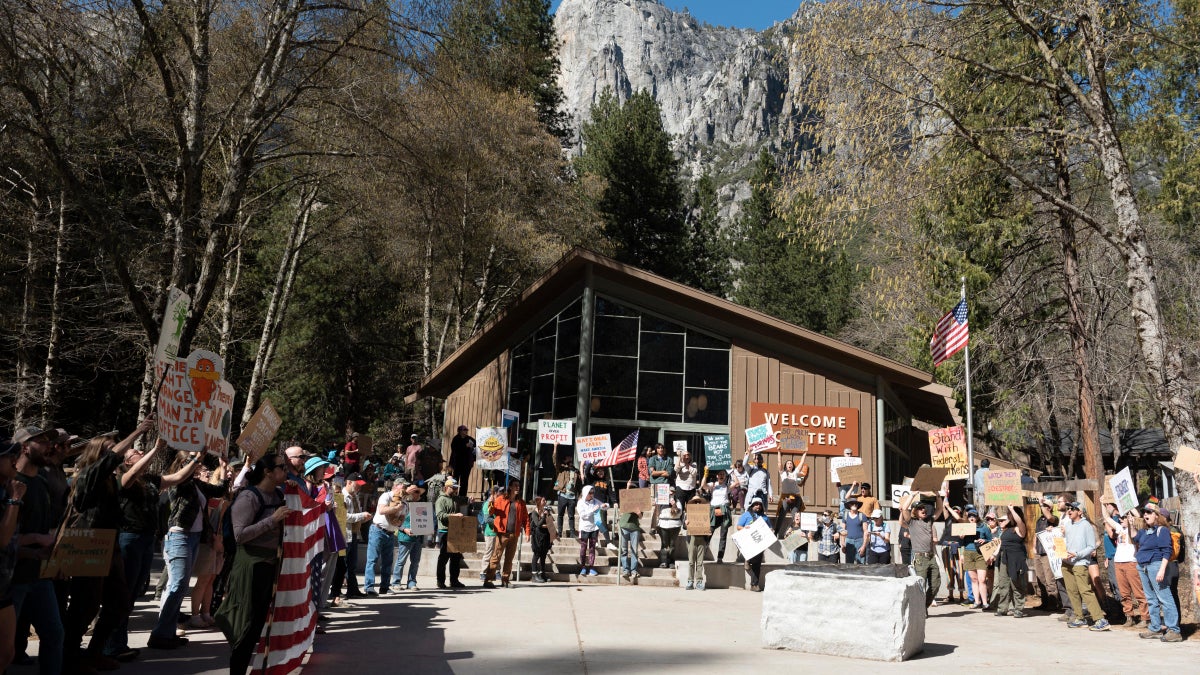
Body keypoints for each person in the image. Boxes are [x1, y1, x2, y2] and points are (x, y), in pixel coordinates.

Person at [62, 420, 154, 670]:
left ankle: (94, 652)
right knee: (85, 605)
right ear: (100, 454)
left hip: (109, 545)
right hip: (88, 544)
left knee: (120, 602)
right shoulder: (90, 475)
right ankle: (69, 656)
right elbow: (111, 460)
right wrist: (138, 432)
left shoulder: (110, 481)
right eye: (112, 449)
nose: (120, 452)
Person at [215, 452, 290, 675]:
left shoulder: (279, 494)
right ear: (268, 472)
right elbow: (240, 536)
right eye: (281, 467)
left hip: (270, 565)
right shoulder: (249, 497)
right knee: (245, 624)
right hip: (250, 566)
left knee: (258, 623)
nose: (285, 471)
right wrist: (273, 520)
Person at [150, 450, 227, 650]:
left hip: (193, 537)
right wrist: (196, 458)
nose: (201, 466)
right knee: (176, 585)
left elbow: (219, 491)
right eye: (195, 463)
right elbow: (181, 478)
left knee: (181, 585)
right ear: (185, 464)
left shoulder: (196, 484)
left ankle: (167, 631)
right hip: (179, 536)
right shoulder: (178, 482)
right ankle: (161, 633)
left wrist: (225, 467)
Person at [10, 426, 65, 675]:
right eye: (42, 442)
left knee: (54, 634)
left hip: (39, 575)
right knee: (6, 644)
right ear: (24, 447)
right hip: (11, 578)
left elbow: (47, 531)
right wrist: (34, 540)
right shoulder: (10, 484)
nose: (49, 447)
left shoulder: (41, 482)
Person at [1133, 504, 1181, 642]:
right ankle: (1155, 627)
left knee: (1165, 598)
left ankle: (1174, 630)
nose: (1145, 515)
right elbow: (1134, 539)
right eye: (1144, 513)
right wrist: (1131, 524)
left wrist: (1161, 569)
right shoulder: (1145, 531)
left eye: (1149, 512)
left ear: (1156, 515)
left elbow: (1167, 551)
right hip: (1142, 566)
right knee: (1151, 599)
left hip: (1156, 565)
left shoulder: (1162, 530)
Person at [0, 439, 27, 673]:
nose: (14, 460)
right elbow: (2, 538)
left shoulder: (8, 486)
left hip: (4, 583)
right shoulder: (11, 493)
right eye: (9, 456)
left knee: (7, 652)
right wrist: (15, 499)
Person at [1060, 501, 1108, 630]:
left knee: (1085, 590)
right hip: (1066, 562)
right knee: (1072, 591)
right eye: (1068, 508)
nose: (1069, 511)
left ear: (1080, 512)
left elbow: (1091, 547)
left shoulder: (1086, 525)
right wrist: (1058, 548)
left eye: (1073, 509)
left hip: (1080, 562)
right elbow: (1066, 541)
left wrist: (1077, 554)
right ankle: (1079, 617)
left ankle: (1100, 620)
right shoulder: (1067, 524)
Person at [1101, 500, 1148, 628]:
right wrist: (1103, 504)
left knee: (1138, 592)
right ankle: (1129, 616)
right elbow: (1106, 518)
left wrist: (1128, 506)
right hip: (1118, 563)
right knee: (1124, 592)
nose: (1120, 519)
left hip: (1131, 563)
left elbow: (1138, 516)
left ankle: (1145, 617)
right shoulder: (1120, 528)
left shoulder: (1136, 529)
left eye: (1123, 518)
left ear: (1129, 518)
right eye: (1120, 518)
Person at [899, 492, 941, 609]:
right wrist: (912, 495)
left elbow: (939, 510)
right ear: (915, 511)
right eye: (920, 508)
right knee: (921, 585)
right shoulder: (912, 522)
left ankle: (923, 607)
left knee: (936, 583)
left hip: (931, 557)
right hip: (920, 558)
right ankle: (920, 609)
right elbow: (904, 508)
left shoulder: (929, 520)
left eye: (924, 508)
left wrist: (937, 496)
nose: (923, 509)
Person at [486, 479, 529, 589]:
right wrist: (491, 503)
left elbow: (526, 519)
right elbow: (491, 512)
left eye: (519, 486)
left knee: (509, 559)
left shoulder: (521, 503)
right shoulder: (501, 499)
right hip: (502, 533)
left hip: (514, 534)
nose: (518, 488)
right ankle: (488, 579)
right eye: (515, 485)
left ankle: (505, 580)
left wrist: (527, 532)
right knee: (496, 557)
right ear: (510, 487)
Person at [364, 480, 405, 595]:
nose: (405, 488)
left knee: (388, 562)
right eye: (403, 485)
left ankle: (384, 587)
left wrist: (399, 521)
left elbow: (402, 518)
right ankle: (369, 587)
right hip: (378, 530)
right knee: (372, 560)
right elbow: (382, 510)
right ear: (396, 486)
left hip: (391, 532)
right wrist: (396, 509)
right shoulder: (386, 496)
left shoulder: (404, 501)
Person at [988, 505, 1028, 618]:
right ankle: (1002, 608)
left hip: (1016, 559)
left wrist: (1011, 509)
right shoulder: (1006, 529)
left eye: (1010, 514)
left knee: (1016, 584)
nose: (1008, 516)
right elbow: (1001, 544)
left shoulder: (1020, 528)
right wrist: (993, 555)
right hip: (1004, 559)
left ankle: (1019, 609)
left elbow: (1019, 521)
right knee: (1003, 584)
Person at [390, 482, 427, 592]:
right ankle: (396, 582)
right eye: (415, 492)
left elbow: (427, 520)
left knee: (415, 561)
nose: (417, 494)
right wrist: (404, 529)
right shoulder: (402, 504)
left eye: (418, 492)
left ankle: (412, 582)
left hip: (418, 537)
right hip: (405, 536)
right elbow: (395, 519)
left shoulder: (422, 506)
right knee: (401, 560)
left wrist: (428, 528)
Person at [953, 507, 992, 608]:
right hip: (968, 553)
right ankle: (977, 601)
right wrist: (961, 553)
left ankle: (985, 603)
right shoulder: (965, 527)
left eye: (973, 516)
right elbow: (961, 542)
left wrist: (985, 541)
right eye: (969, 516)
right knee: (974, 579)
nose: (971, 518)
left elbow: (991, 540)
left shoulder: (983, 527)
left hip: (980, 553)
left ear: (977, 517)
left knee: (982, 579)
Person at [435, 478, 466, 589]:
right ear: (447, 487)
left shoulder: (455, 498)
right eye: (453, 488)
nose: (455, 490)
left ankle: (454, 580)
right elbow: (440, 515)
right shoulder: (441, 500)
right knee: (443, 557)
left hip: (455, 530)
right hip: (444, 531)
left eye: (456, 488)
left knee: (456, 557)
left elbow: (464, 503)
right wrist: (454, 516)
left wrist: (470, 501)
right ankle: (440, 581)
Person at [737, 497, 771, 591]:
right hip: (748, 542)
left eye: (760, 504)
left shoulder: (765, 517)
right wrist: (745, 528)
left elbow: (770, 529)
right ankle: (748, 559)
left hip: (760, 543)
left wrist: (769, 531)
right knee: (753, 558)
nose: (758, 506)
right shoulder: (746, 515)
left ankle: (754, 585)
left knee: (757, 565)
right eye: (756, 504)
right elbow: (739, 527)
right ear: (752, 505)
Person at [705, 470, 733, 562]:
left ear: (725, 476)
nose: (721, 476)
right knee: (710, 531)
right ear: (717, 476)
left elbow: (737, 483)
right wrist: (705, 473)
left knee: (723, 535)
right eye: (720, 474)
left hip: (724, 510)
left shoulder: (727, 486)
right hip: (715, 509)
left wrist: (732, 472)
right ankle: (703, 551)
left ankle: (720, 557)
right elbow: (703, 485)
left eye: (723, 474)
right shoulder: (713, 485)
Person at [576, 486, 603, 576]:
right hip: (584, 528)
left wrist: (605, 505)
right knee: (583, 548)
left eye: (593, 493)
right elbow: (583, 515)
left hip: (594, 528)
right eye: (590, 493)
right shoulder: (580, 502)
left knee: (592, 548)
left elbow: (603, 505)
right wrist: (592, 510)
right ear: (585, 493)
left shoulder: (595, 501)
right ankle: (583, 567)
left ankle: (591, 567)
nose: (592, 495)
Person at [684, 496, 709, 590]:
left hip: (702, 538)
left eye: (699, 501)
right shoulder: (688, 513)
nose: (697, 503)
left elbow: (708, 525)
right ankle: (690, 581)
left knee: (700, 562)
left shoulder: (705, 513)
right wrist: (685, 523)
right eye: (695, 502)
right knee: (691, 561)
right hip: (691, 538)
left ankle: (699, 581)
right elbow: (684, 526)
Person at [478, 485, 501, 580]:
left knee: (497, 553)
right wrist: (499, 522)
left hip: (498, 532)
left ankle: (497, 571)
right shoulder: (488, 504)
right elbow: (487, 519)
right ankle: (483, 572)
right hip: (490, 532)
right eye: (499, 493)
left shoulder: (498, 503)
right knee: (488, 552)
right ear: (494, 493)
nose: (501, 495)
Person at [529, 496, 554, 583]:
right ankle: (534, 575)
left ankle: (542, 574)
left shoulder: (545, 511)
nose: (545, 501)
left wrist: (547, 516)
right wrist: (544, 517)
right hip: (537, 537)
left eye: (545, 500)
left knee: (543, 555)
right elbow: (538, 524)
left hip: (545, 536)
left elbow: (550, 522)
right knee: (536, 555)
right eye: (543, 500)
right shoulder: (534, 513)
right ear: (539, 502)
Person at [618, 501, 642, 582]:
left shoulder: (640, 502)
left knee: (634, 550)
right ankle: (626, 570)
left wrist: (638, 513)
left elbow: (641, 516)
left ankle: (633, 570)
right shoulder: (626, 500)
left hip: (634, 527)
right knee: (623, 550)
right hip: (624, 526)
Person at [656, 492, 682, 569]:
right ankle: (663, 561)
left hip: (675, 525)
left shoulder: (677, 501)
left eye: (672, 492)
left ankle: (671, 561)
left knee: (672, 544)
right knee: (664, 544)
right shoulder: (661, 500)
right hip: (663, 524)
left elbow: (679, 513)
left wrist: (674, 504)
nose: (671, 493)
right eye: (669, 492)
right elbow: (657, 513)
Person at [553, 461, 579, 538]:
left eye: (571, 462)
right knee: (560, 515)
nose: (570, 463)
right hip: (562, 495)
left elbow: (579, 485)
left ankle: (572, 532)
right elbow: (555, 461)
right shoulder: (562, 470)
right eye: (568, 462)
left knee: (571, 516)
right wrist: (555, 449)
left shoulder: (576, 472)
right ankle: (560, 532)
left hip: (572, 496)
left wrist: (579, 495)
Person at [842, 498, 866, 564]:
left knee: (861, 564)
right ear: (849, 505)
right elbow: (843, 531)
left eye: (856, 503)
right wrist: (843, 544)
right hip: (849, 542)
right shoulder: (845, 515)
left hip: (859, 541)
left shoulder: (862, 515)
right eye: (852, 503)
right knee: (849, 565)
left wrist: (863, 546)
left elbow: (866, 532)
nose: (854, 505)